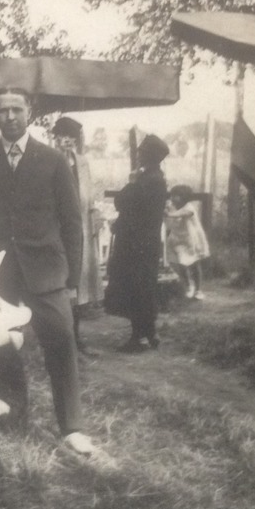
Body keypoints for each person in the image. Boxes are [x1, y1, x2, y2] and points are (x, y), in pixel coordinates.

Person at [0, 87, 95, 455]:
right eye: (2, 111)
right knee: (3, 344)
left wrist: (71, 278)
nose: (9, 117)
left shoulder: (53, 160)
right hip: (1, 274)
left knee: (61, 339)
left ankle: (72, 427)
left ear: (29, 112)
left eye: (16, 109)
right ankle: (14, 413)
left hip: (46, 270)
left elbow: (72, 222)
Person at [105, 133, 169, 352]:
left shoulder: (144, 181)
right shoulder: (158, 178)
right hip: (148, 243)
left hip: (134, 243)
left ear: (149, 155)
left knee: (135, 288)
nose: (138, 154)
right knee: (147, 286)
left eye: (142, 151)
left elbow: (122, 202)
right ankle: (150, 333)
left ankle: (137, 338)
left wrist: (131, 182)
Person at [50, 114, 104, 357]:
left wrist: (95, 216)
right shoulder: (49, 160)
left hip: (80, 227)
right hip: (57, 229)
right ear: (56, 138)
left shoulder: (81, 162)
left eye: (72, 137)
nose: (68, 142)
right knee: (60, 285)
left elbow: (89, 194)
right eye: (63, 137)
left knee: (80, 285)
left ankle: (76, 338)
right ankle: (60, 340)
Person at [165, 184, 210, 300]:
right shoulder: (171, 206)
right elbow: (167, 219)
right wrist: (166, 211)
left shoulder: (189, 207)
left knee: (194, 263)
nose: (174, 198)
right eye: (173, 195)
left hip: (191, 240)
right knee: (181, 264)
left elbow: (183, 214)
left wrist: (169, 214)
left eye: (177, 196)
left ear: (184, 197)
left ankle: (199, 290)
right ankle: (189, 286)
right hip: (177, 239)